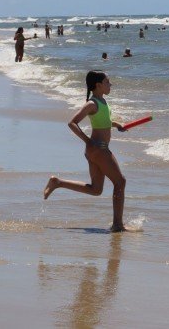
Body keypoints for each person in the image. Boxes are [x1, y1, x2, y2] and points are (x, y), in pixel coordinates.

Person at [43, 71, 129, 232]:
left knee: (96, 190)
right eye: (107, 82)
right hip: (99, 149)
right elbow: (72, 123)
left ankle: (57, 182)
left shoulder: (102, 101)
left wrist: (116, 125)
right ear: (98, 85)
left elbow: (103, 122)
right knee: (120, 182)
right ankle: (118, 225)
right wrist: (88, 140)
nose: (110, 85)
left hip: (96, 150)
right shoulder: (92, 103)